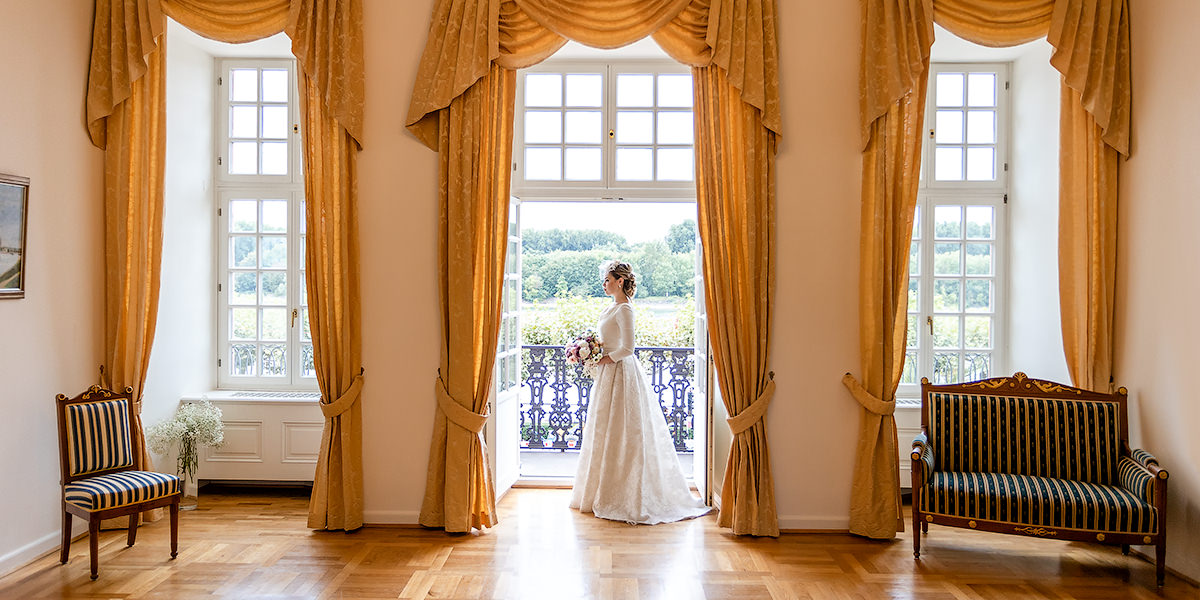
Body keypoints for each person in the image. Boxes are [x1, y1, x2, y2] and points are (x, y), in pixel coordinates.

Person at [570, 260, 712, 524]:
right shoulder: (611, 307)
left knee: (625, 432)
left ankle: (628, 494)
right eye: (604, 280)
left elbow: (628, 349)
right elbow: (606, 340)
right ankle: (598, 490)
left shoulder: (624, 309)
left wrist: (602, 359)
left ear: (620, 281)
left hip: (621, 374)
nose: (604, 284)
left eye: (608, 280)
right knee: (605, 430)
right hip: (607, 375)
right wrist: (588, 349)